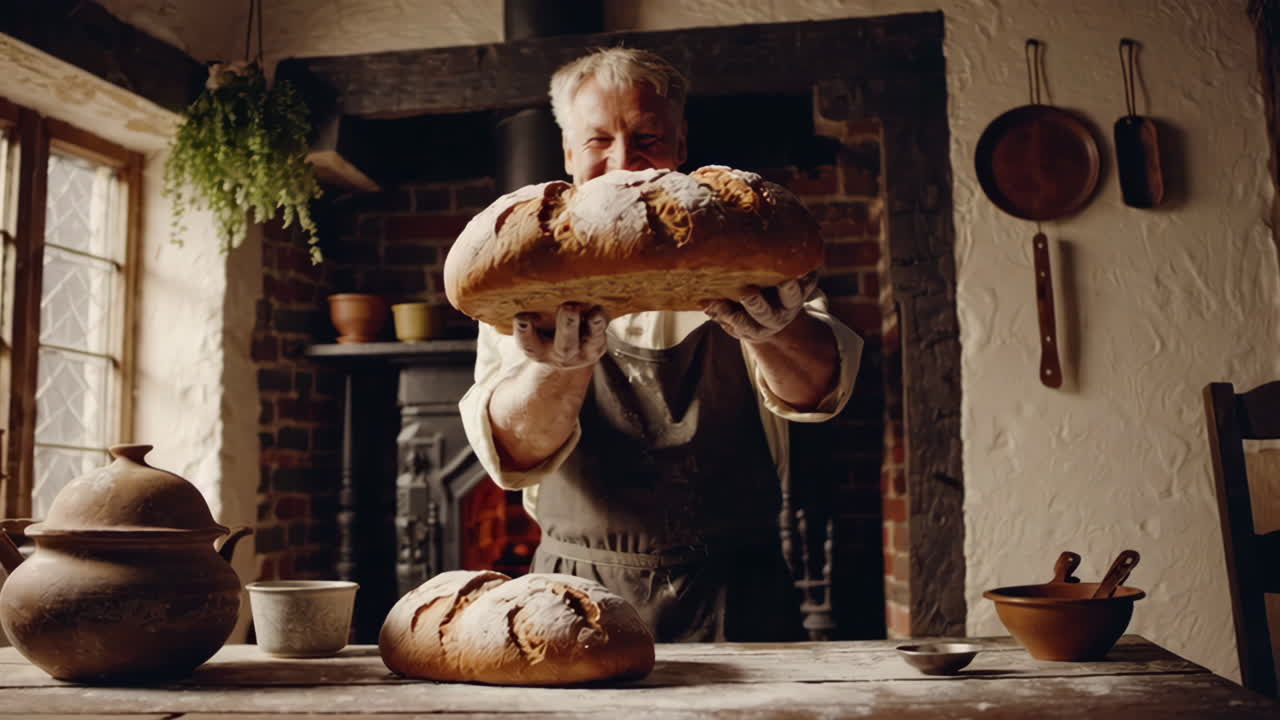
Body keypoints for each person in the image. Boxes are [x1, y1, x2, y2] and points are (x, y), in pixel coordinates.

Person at [458, 47, 863, 642]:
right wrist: (555, 371)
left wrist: (775, 330)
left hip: (738, 595)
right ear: (568, 151)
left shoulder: (747, 249)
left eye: (647, 137)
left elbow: (821, 388)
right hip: (577, 596)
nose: (624, 161)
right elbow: (514, 451)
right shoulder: (525, 279)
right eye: (598, 140)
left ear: (680, 143)